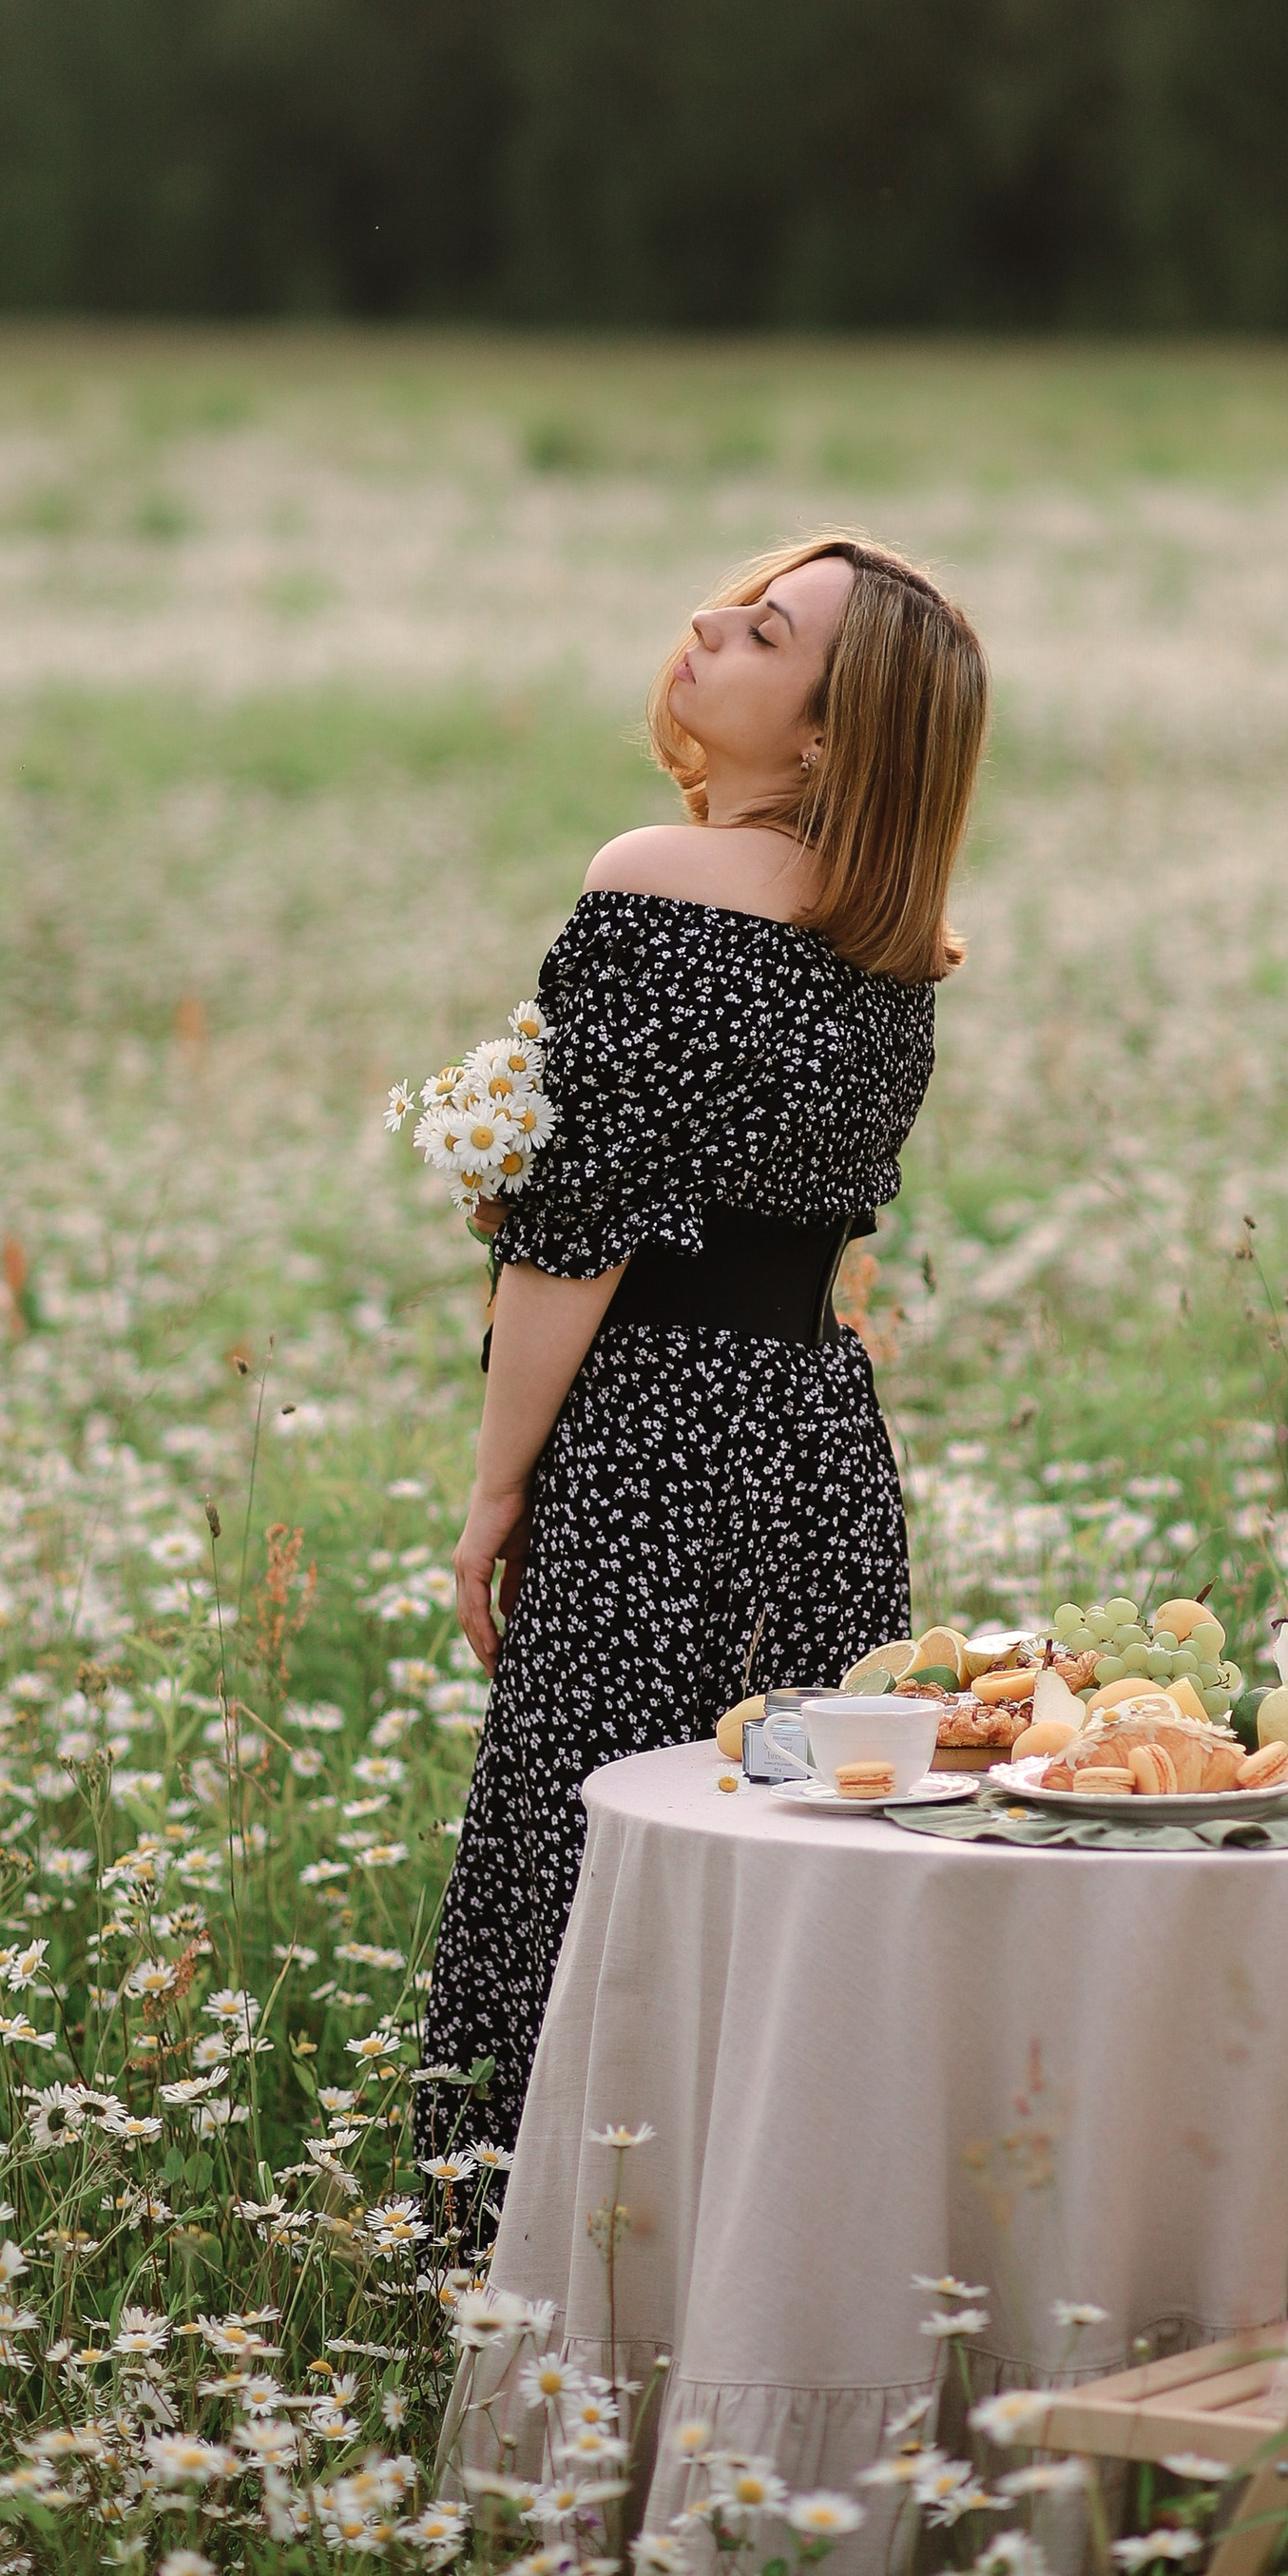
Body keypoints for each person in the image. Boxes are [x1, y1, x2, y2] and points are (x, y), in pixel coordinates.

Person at [417, 534, 989, 2160]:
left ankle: (535, 2239)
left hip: (653, 1437)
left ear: (822, 737)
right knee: (796, 1855)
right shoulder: (900, 939)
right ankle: (784, 2209)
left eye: (759, 634)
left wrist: (493, 1491)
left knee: (589, 1846)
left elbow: (577, 1235)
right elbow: (804, 1230)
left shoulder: (651, 882)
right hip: (816, 1440)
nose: (704, 630)